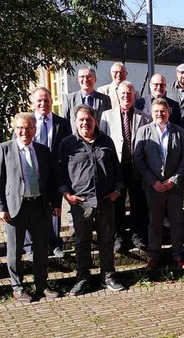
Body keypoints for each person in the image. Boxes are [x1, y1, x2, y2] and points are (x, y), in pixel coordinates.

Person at [58, 105, 125, 296]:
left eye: (88, 119)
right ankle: (83, 279)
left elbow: (117, 168)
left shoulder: (106, 141)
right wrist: (66, 194)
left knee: (106, 239)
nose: (85, 122)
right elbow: (60, 173)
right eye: (81, 119)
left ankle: (108, 277)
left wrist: (117, 190)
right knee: (82, 242)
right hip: (80, 203)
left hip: (105, 200)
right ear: (75, 122)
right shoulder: (68, 144)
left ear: (95, 120)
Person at [0, 113, 61, 303]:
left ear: (34, 129)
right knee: (15, 250)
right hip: (15, 208)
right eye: (20, 127)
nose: (24, 131)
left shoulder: (43, 151)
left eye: (28, 127)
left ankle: (41, 285)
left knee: (41, 248)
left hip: (39, 205)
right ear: (14, 129)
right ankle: (17, 288)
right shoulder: (4, 149)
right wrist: (1, 207)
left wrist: (56, 203)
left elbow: (51, 180)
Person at [134, 98, 184, 270]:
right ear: (152, 112)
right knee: (154, 223)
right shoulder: (143, 131)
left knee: (177, 222)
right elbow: (138, 158)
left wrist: (174, 180)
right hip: (153, 187)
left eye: (163, 111)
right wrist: (153, 181)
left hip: (174, 187)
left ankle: (178, 255)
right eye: (156, 111)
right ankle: (154, 256)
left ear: (168, 112)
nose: (160, 114)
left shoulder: (179, 132)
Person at [99, 81, 151, 251]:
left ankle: (138, 236)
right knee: (117, 204)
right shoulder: (107, 116)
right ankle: (118, 237)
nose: (126, 96)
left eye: (129, 93)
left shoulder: (143, 117)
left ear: (134, 96)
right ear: (118, 96)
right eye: (123, 94)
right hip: (116, 167)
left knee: (138, 203)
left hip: (136, 166)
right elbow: (103, 142)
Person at [28, 87, 71, 259]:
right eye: (39, 100)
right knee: (32, 209)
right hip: (33, 173)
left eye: (46, 100)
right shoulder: (27, 122)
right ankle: (32, 246)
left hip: (55, 173)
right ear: (33, 103)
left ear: (51, 101)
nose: (43, 103)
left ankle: (54, 244)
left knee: (55, 209)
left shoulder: (63, 123)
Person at [62, 66, 111, 132]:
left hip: (98, 140)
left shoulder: (105, 100)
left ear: (95, 79)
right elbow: (64, 124)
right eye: (82, 76)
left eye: (89, 76)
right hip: (75, 140)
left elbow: (109, 123)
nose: (85, 79)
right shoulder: (69, 99)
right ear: (78, 79)